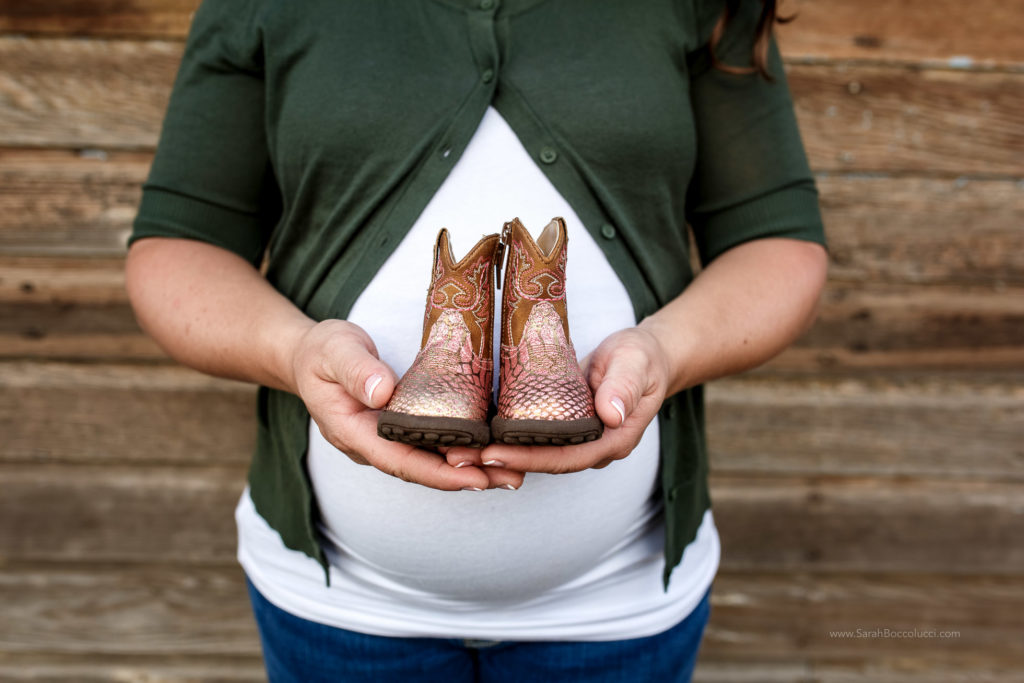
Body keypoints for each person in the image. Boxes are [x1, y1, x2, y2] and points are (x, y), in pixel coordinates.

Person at [125, 0, 828, 680]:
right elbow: (179, 246)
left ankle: (528, 341)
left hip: (618, 600)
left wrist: (666, 351)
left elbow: (777, 243)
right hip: (338, 599)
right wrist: (295, 351)